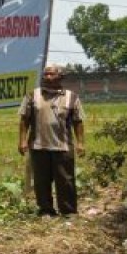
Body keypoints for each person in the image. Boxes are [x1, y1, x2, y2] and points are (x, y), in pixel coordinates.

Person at [18, 64, 85, 216]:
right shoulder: (32, 95)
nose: (47, 77)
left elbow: (78, 121)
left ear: (60, 77)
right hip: (38, 145)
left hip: (63, 146)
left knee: (66, 180)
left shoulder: (71, 97)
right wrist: (22, 141)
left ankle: (68, 211)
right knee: (41, 181)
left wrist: (80, 143)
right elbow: (24, 119)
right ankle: (46, 210)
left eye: (51, 74)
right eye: (45, 74)